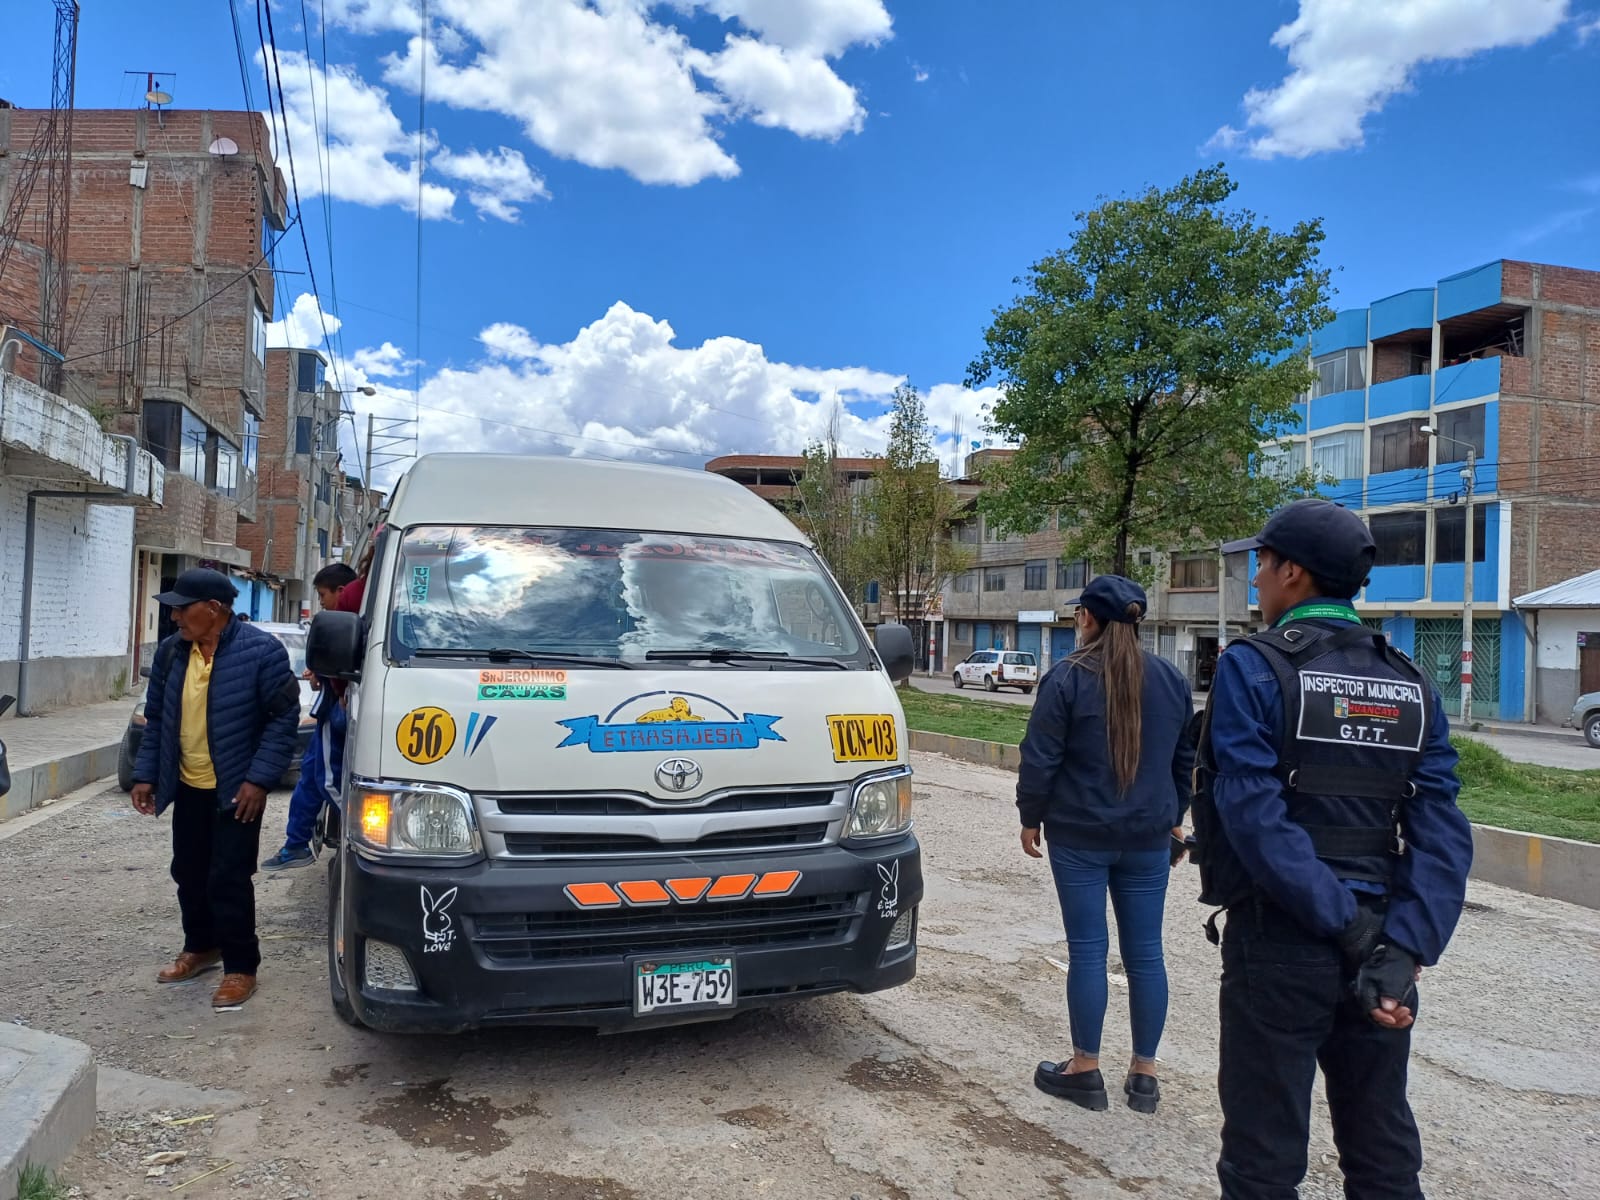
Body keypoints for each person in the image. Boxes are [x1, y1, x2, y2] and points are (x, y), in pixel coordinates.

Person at [1195, 499, 1472, 1199]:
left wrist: (1352, 932)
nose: (1255, 580)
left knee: (1263, 1160)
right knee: (1382, 1156)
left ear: (1293, 573)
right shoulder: (1410, 682)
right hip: (1382, 951)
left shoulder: (1252, 668)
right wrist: (1400, 950)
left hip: (1283, 941)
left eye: (1260, 564)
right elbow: (1442, 826)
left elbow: (1252, 813)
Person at [1018, 574, 1196, 1115]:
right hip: (1149, 836)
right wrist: (1176, 816)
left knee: (1088, 951)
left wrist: (1031, 816)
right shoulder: (1170, 679)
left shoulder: (1066, 678)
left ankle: (1085, 1068)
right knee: (1146, 954)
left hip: (1079, 836)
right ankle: (1145, 1075)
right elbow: (1185, 759)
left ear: (1087, 619)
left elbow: (1041, 756)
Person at [130, 568, 300, 1010]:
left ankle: (241, 966)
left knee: (228, 877)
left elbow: (283, 721)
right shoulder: (172, 654)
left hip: (235, 790)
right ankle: (201, 946)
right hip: (188, 784)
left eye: (182, 609)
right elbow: (157, 719)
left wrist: (259, 780)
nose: (174, 619)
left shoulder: (262, 653)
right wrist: (146, 774)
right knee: (188, 871)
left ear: (214, 610)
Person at [261, 563, 358, 871]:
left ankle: (360, 836)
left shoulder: (357, 623)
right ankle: (297, 843)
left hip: (336, 712)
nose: (322, 603)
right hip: (329, 708)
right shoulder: (345, 624)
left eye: (323, 595)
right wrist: (321, 675)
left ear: (342, 592)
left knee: (326, 780)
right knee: (311, 779)